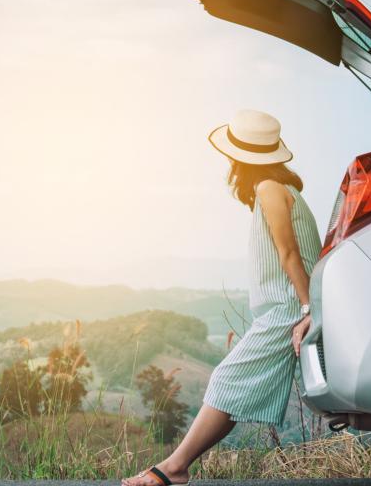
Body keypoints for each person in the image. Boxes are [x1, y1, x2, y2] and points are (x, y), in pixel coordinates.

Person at [122, 109, 322, 486]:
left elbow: (289, 254)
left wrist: (308, 308)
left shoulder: (268, 189)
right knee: (229, 383)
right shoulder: (285, 189)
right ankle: (175, 466)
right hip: (289, 305)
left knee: (226, 381)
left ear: (240, 159)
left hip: (287, 308)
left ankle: (174, 469)